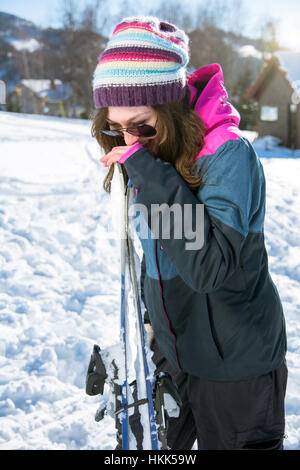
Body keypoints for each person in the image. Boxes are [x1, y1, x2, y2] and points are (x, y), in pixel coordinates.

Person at [91, 16, 288, 450]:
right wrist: (148, 330)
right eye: (114, 127)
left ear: (173, 110)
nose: (128, 140)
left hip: (236, 367)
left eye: (141, 125)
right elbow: (159, 257)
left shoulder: (227, 154)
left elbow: (207, 267)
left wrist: (149, 172)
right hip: (175, 355)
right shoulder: (154, 157)